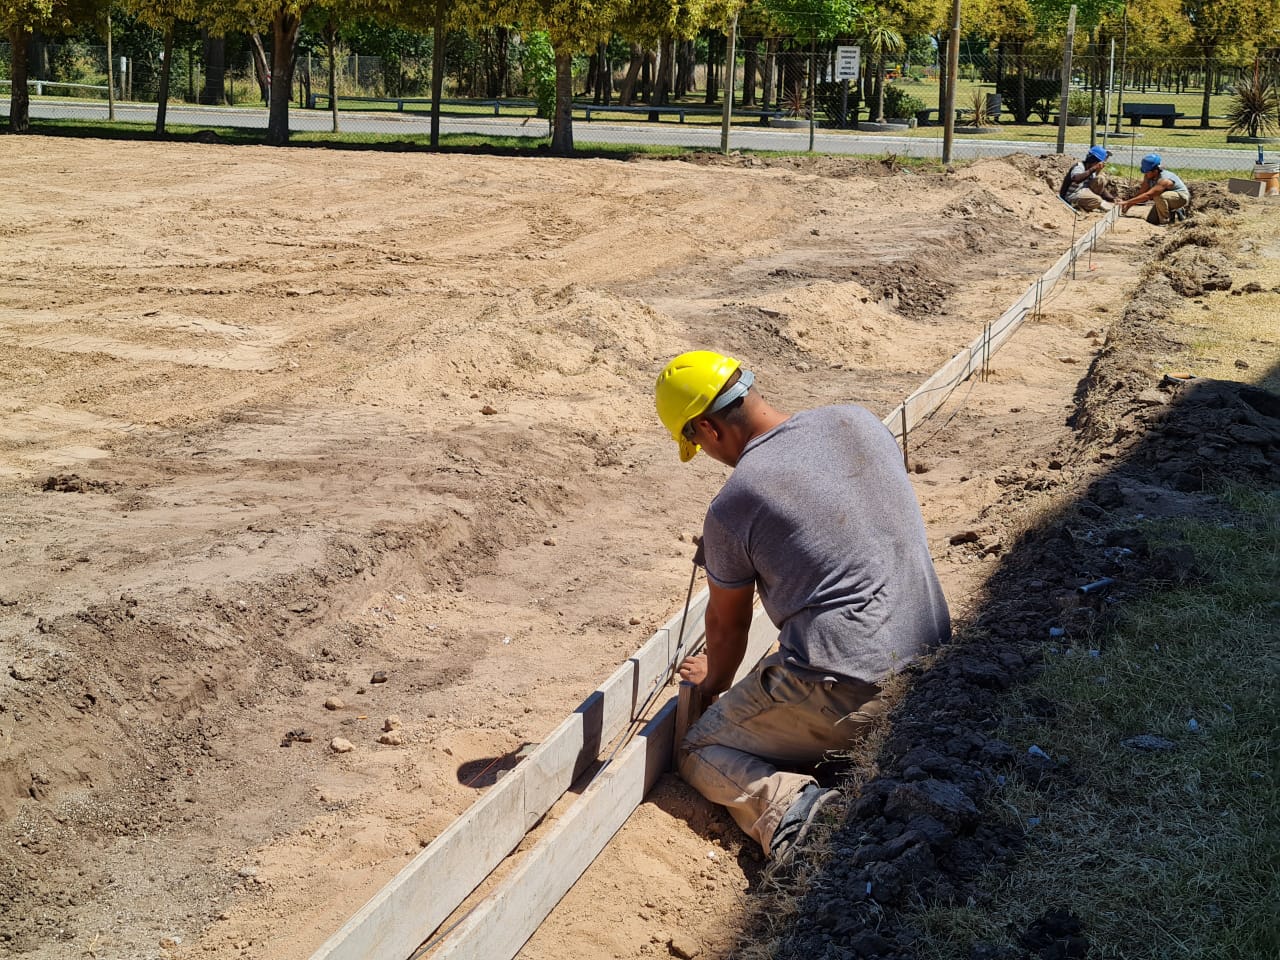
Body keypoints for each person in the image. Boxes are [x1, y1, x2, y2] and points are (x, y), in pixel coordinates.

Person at [653, 350, 951, 860]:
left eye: (695, 441)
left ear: (706, 426)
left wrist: (714, 686)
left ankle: (798, 815)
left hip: (855, 688)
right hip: (936, 658)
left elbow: (727, 627)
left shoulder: (735, 503)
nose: (703, 451)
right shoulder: (858, 420)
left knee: (701, 750)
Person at [1120, 154, 1191, 225]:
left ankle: (1165, 222)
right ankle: (1172, 211)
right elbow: (1142, 192)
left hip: (1181, 197)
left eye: (1147, 172)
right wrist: (1128, 205)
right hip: (1166, 197)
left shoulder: (1164, 180)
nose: (1145, 174)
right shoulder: (1148, 176)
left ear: (1155, 171)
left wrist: (1127, 202)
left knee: (1157, 196)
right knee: (1151, 220)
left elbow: (1148, 195)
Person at [1060, 145, 1117, 212]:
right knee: (1097, 200)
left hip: (1084, 191)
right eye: (1101, 162)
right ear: (1094, 161)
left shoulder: (1091, 170)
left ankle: (1095, 202)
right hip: (1072, 195)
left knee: (1100, 179)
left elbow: (1101, 188)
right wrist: (1093, 168)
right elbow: (1076, 179)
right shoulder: (1079, 166)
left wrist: (1112, 199)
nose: (1103, 165)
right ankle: (1083, 206)